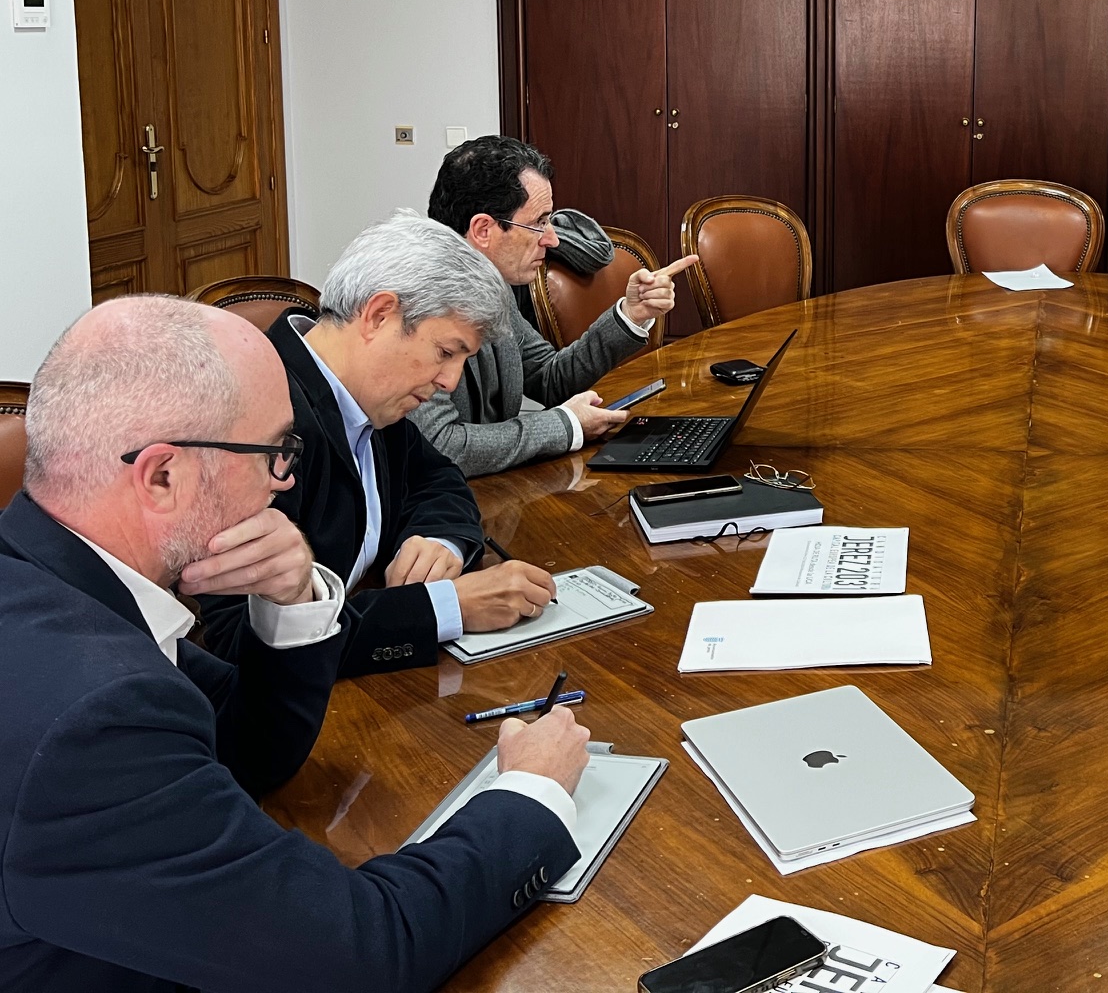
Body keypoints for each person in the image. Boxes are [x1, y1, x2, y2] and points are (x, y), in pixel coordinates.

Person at [0, 295, 589, 992]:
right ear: (163, 476)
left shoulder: (54, 586)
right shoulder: (93, 717)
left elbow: (246, 753)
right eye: (276, 453)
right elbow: (363, 955)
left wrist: (294, 603)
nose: (286, 483)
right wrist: (530, 794)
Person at [198, 211, 558, 677]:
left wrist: (439, 540)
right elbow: (240, 640)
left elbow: (438, 476)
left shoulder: (367, 395)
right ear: (379, 315)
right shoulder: (256, 427)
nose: (450, 382)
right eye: (445, 353)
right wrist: (441, 610)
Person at [413, 136, 695, 476]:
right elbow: (443, 446)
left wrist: (632, 314)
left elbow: (549, 378)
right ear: (483, 229)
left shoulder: (491, 286)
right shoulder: (416, 302)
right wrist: (565, 426)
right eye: (538, 223)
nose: (553, 239)